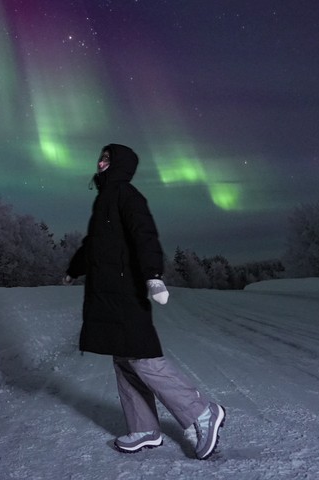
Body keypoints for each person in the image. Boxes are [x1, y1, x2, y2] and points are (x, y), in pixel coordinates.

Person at [63, 143, 226, 459]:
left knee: (141, 356)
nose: (100, 163)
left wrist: (154, 275)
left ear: (121, 165)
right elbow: (92, 246)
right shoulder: (103, 202)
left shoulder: (127, 195)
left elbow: (145, 234)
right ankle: (144, 428)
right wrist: (73, 269)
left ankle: (202, 413)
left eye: (108, 159)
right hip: (107, 292)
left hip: (127, 290)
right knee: (123, 357)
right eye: (101, 157)